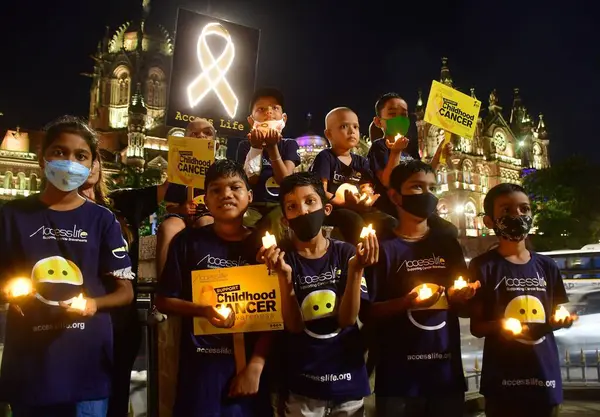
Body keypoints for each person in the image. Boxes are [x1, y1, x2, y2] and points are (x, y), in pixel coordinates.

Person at [0, 116, 134, 417]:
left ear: (91, 165)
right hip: (30, 364)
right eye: (60, 152)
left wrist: (92, 304)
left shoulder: (103, 220)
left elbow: (125, 292)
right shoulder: (12, 216)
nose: (69, 161)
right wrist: (9, 290)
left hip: (86, 368)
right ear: (42, 157)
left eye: (80, 155)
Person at [155, 159, 271, 417]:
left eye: (235, 187)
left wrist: (255, 366)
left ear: (249, 196)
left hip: (250, 372)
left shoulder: (264, 245)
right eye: (216, 190)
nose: (226, 194)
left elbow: (276, 314)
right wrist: (203, 310)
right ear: (205, 200)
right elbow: (163, 301)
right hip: (201, 370)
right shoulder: (187, 242)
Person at [363, 160, 477, 417]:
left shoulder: (448, 246)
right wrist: (406, 303)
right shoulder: (381, 248)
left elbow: (464, 308)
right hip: (398, 382)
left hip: (446, 378)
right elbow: (367, 313)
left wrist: (463, 296)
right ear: (395, 195)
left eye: (431, 187)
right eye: (417, 187)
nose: (427, 195)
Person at [259, 172, 377, 416]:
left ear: (327, 209)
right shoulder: (282, 260)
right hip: (302, 389)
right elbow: (292, 325)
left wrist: (356, 270)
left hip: (347, 385)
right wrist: (284, 278)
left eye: (310, 202)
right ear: (285, 220)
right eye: (293, 207)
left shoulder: (346, 254)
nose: (303, 211)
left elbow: (346, 320)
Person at [469, 183, 574, 417]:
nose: (518, 215)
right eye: (506, 210)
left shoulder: (547, 266)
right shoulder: (482, 266)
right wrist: (504, 326)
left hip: (543, 375)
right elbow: (477, 327)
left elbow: (555, 314)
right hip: (502, 380)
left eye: (524, 209)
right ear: (489, 221)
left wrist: (562, 320)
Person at [80, 154, 169, 417]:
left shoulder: (121, 203)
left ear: (99, 165)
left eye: (89, 158)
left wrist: (189, 147)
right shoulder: (51, 211)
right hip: (74, 317)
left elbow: (173, 187)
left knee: (116, 394)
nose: (85, 166)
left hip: (119, 320)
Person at [368, 93, 458, 238]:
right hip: (393, 210)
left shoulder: (407, 152)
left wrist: (439, 153)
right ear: (378, 122)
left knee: (450, 231)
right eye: (392, 114)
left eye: (404, 115)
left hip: (414, 209)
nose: (399, 119)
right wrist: (395, 152)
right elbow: (387, 180)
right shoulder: (380, 147)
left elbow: (423, 174)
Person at [310, 107, 396, 245]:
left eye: (355, 126)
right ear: (329, 134)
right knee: (353, 221)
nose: (352, 131)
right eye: (344, 126)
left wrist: (366, 199)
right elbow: (319, 191)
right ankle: (363, 256)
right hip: (334, 210)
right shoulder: (325, 158)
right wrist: (344, 203)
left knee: (389, 221)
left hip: (359, 208)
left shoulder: (361, 162)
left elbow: (366, 187)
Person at [236, 87, 300, 241]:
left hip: (279, 205)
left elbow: (285, 181)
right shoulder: (245, 146)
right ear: (251, 120)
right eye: (261, 109)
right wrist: (256, 148)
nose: (269, 112)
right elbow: (250, 180)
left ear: (283, 118)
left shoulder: (289, 145)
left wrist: (272, 149)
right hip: (252, 205)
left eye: (275, 108)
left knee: (276, 220)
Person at [156, 118, 216, 277]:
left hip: (208, 215)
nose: (201, 136)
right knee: (169, 228)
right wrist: (182, 209)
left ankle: (206, 281)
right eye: (194, 134)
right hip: (181, 215)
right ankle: (164, 286)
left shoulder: (219, 170)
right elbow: (169, 205)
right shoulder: (177, 168)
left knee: (207, 224)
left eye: (207, 133)